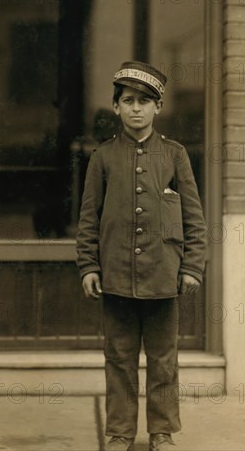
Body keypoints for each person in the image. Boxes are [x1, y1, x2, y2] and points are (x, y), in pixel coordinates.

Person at [76, 61, 207, 451]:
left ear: (158, 107)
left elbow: (194, 217)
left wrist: (193, 267)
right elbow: (88, 218)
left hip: (163, 277)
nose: (136, 108)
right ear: (116, 107)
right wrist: (88, 266)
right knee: (118, 359)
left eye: (145, 101)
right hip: (116, 277)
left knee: (164, 362)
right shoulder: (102, 157)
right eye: (128, 100)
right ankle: (119, 432)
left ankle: (162, 432)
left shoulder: (174, 155)